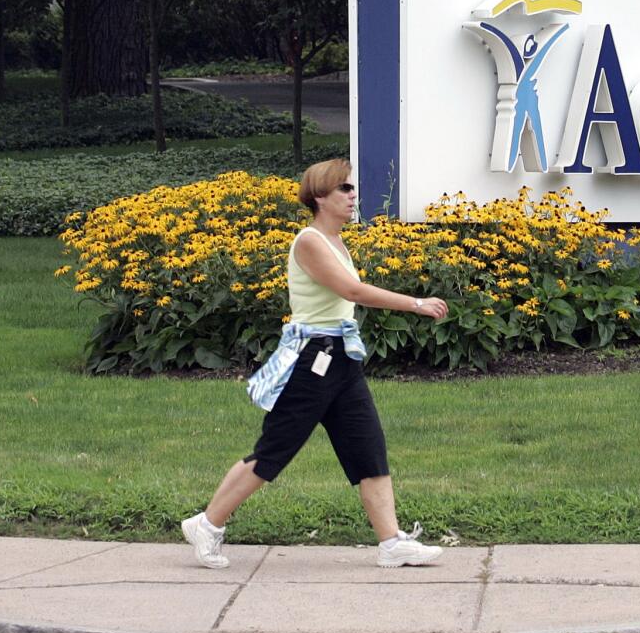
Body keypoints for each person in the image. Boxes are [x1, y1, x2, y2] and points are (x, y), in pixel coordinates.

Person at [182, 158, 448, 569]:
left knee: (369, 450)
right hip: (312, 362)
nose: (352, 194)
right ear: (320, 197)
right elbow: (352, 291)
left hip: (341, 359)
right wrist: (415, 303)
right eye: (343, 189)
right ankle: (207, 524)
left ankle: (392, 542)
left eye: (351, 188)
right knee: (273, 451)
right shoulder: (309, 241)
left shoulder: (337, 241)